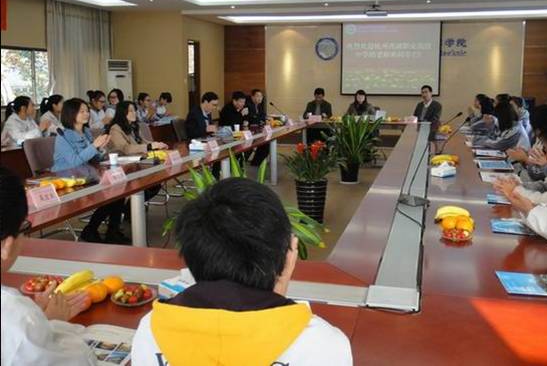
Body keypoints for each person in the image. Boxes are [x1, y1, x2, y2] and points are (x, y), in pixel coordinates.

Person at [131, 178, 352, 365]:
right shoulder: (323, 344)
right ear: (288, 255)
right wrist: (278, 286)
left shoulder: (150, 330)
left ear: (192, 257)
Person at [0, 167, 96, 365]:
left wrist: (37, 319)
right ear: (6, 246)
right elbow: (79, 361)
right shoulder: (18, 317)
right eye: (24, 227)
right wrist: (53, 322)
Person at [53, 98, 128, 244]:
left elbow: (94, 158)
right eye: (81, 111)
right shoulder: (63, 136)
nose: (86, 114)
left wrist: (101, 148)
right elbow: (74, 162)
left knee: (118, 190)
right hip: (69, 178)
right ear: (71, 113)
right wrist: (94, 146)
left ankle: (112, 231)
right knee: (111, 192)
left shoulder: (86, 132)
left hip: (87, 174)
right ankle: (91, 229)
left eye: (87, 111)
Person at [107, 100, 166, 227]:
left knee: (156, 181)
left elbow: (143, 141)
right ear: (123, 113)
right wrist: (149, 146)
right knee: (148, 182)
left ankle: (129, 209)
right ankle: (129, 210)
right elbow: (126, 149)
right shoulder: (115, 128)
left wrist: (156, 145)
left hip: (137, 162)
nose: (134, 113)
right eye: (131, 111)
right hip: (123, 166)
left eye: (135, 110)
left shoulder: (133, 126)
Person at [494, 122, 547, 206]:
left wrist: (517, 190)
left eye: (545, 150)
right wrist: (520, 185)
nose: (543, 154)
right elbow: (545, 186)